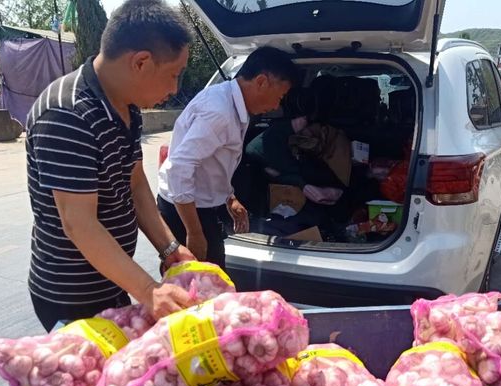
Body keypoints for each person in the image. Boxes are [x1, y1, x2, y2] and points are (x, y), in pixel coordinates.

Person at [25, 0, 195, 331]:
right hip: (71, 293)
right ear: (141, 62)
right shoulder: (67, 113)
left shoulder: (125, 106)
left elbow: (135, 185)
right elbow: (79, 223)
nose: (174, 89)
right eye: (174, 74)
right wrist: (148, 291)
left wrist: (169, 247)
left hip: (112, 278)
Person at [157, 46, 298, 267]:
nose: (276, 106)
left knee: (206, 279)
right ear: (261, 81)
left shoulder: (231, 103)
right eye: (280, 96)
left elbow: (214, 162)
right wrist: (194, 232)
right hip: (184, 210)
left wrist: (229, 198)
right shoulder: (219, 111)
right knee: (195, 284)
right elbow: (179, 168)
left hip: (196, 205)